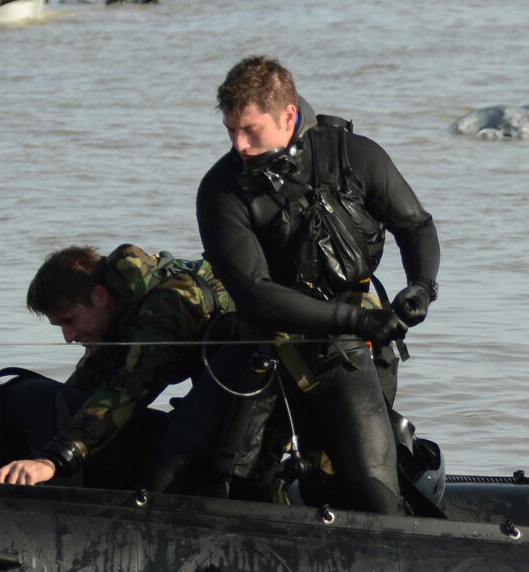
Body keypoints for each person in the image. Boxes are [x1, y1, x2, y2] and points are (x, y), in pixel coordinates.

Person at [154, 55, 440, 515]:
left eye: (250, 131)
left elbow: (417, 226)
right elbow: (257, 295)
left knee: (373, 492)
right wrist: (362, 319)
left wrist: (422, 286)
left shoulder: (356, 156)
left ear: (288, 115)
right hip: (260, 339)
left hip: (340, 351)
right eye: (230, 131)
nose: (239, 145)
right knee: (176, 465)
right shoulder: (221, 189)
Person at [0, 243, 235, 489]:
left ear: (100, 296)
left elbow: (125, 392)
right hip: (219, 383)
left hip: (255, 387)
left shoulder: (167, 306)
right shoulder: (117, 310)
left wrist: (52, 461)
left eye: (70, 320)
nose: (68, 336)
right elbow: (82, 390)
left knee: (174, 460)